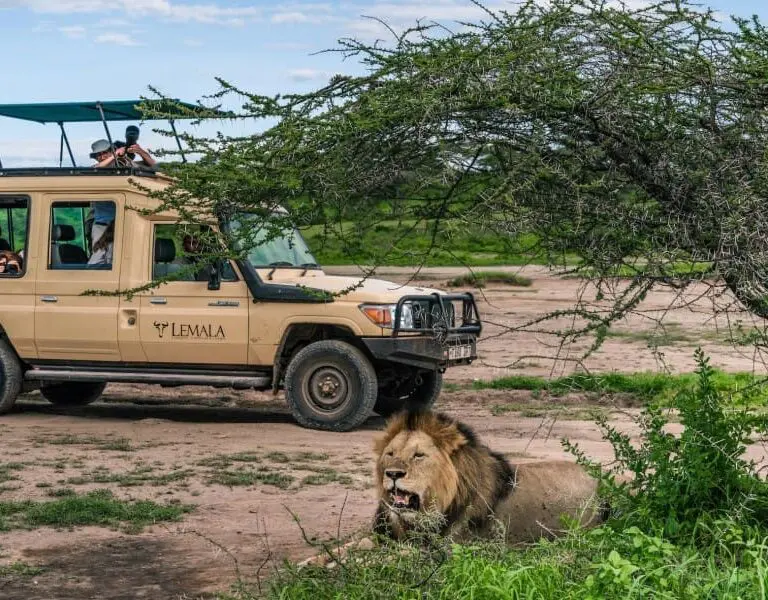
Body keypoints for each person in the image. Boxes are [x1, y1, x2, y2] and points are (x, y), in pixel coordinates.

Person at [90, 138, 156, 169]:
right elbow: (95, 168)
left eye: (105, 153)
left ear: (111, 151)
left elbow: (152, 163)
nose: (102, 157)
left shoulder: (124, 161)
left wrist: (140, 151)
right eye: (98, 155)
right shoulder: (96, 168)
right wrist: (115, 155)